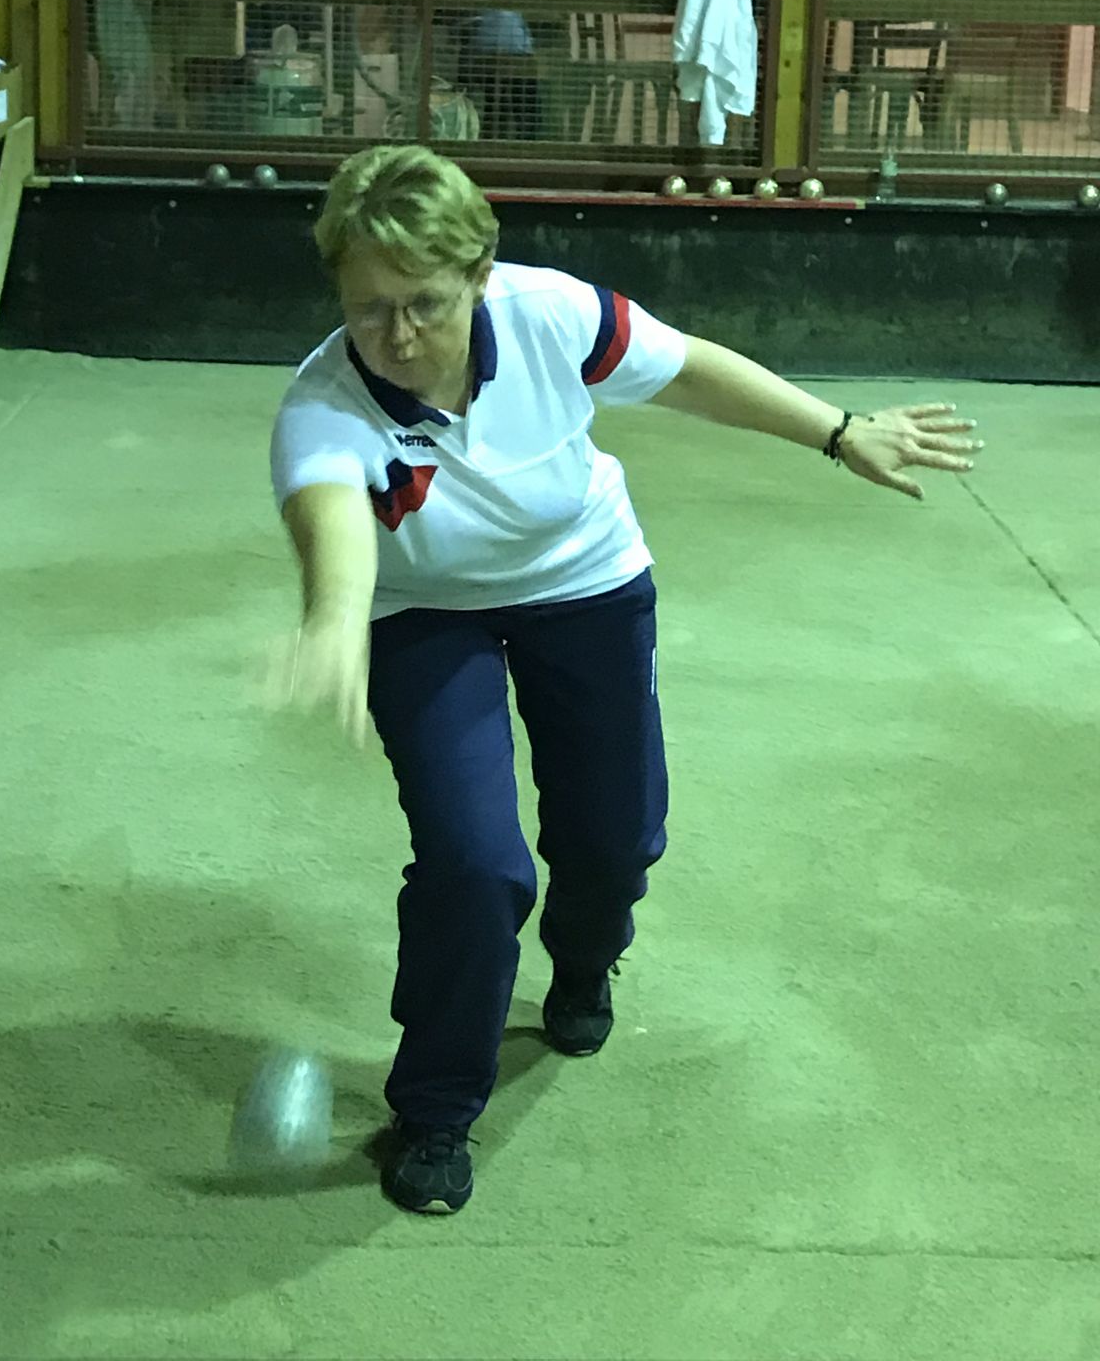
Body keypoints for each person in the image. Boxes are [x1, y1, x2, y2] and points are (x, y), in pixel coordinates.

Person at [268, 145, 983, 1216]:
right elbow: (332, 516)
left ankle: (585, 960)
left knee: (613, 837)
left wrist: (839, 433)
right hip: (422, 615)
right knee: (473, 866)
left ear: (479, 277)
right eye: (370, 309)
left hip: (584, 581)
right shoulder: (323, 404)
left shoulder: (551, 314)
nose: (400, 336)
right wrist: (331, 620)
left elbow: (685, 368)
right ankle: (436, 1109)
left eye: (426, 304)